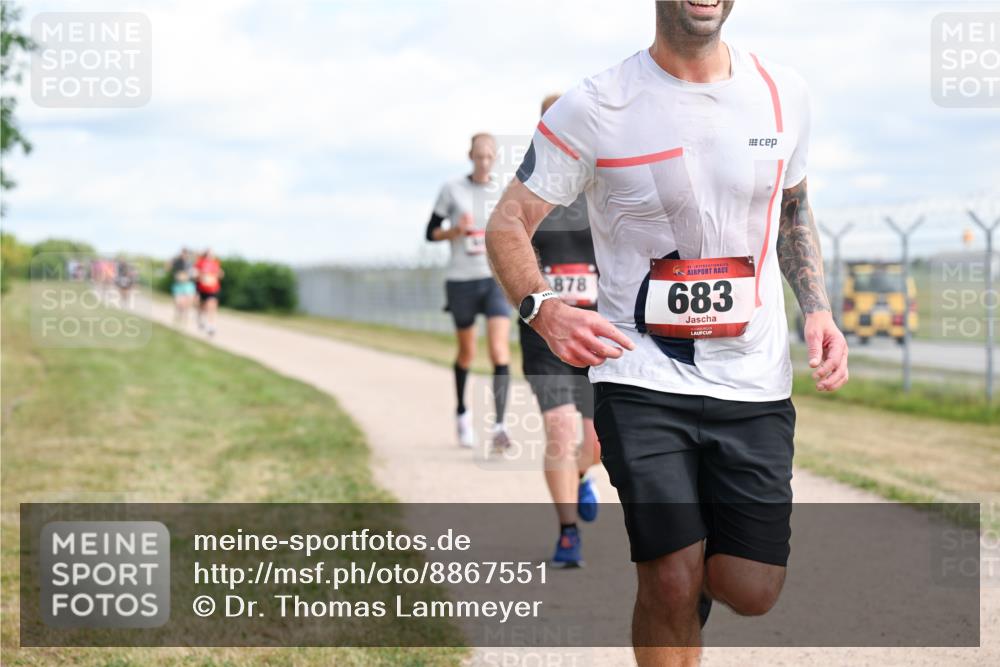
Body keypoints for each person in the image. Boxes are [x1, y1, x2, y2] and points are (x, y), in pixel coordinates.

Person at [486, 1, 849, 663]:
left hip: (753, 379)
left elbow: (794, 205)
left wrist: (818, 308)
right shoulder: (596, 104)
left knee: (752, 586)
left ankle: (687, 575)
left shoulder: (784, 94)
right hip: (641, 372)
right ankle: (673, 575)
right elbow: (508, 220)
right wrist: (540, 306)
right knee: (670, 572)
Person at [520, 94, 603, 568]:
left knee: (595, 444)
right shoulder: (528, 191)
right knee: (558, 430)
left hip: (595, 336)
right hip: (545, 332)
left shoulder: (604, 188)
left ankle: (580, 477)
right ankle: (568, 532)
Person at [426, 133, 512, 451]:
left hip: (493, 280)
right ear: (470, 156)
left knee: (499, 351)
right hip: (461, 280)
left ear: (496, 158)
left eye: (489, 156)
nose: (484, 161)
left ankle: (500, 426)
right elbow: (430, 233)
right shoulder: (452, 190)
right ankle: (462, 413)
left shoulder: (503, 192)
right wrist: (454, 231)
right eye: (479, 156)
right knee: (467, 354)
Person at [194, 249, 224, 336]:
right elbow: (195, 274)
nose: (211, 256)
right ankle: (200, 318)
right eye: (209, 254)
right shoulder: (200, 263)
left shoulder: (216, 264)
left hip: (213, 289)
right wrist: (201, 277)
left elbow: (220, 274)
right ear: (206, 255)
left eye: (212, 254)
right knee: (203, 307)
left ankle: (211, 325)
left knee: (212, 306)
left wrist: (220, 274)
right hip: (202, 289)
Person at [169, 248, 196, 325]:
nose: (184, 255)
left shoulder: (191, 263)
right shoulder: (176, 261)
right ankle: (179, 315)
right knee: (178, 302)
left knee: (187, 303)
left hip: (188, 284)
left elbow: (194, 273)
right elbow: (169, 268)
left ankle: (185, 317)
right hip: (178, 285)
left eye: (185, 254)